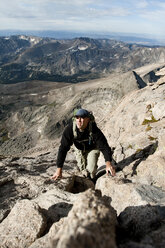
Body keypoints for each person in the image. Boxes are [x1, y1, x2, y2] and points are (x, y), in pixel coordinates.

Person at [51, 108, 116, 181]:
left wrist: (108, 164)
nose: (79, 120)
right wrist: (59, 169)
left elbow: (104, 146)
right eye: (77, 117)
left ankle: (93, 179)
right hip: (79, 149)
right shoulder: (70, 129)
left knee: (91, 170)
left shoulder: (94, 129)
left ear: (88, 119)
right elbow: (63, 148)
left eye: (82, 118)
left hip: (92, 148)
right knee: (83, 171)